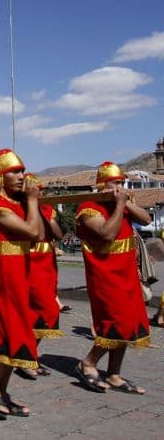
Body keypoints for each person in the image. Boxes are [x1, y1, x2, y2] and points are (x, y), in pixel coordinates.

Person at [73, 162, 151, 395]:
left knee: (130, 322)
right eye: (115, 183)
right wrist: (119, 205)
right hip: (106, 276)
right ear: (102, 185)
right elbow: (107, 233)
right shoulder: (88, 209)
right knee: (116, 323)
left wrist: (126, 203)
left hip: (127, 274)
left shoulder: (122, 205)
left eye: (122, 183)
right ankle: (88, 363)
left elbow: (146, 219)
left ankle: (114, 374)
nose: (121, 187)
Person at [0, 149, 42, 419]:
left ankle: (1, 389)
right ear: (0, 176)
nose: (21, 176)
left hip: (19, 278)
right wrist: (33, 201)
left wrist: (30, 203)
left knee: (19, 329)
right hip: (0, 280)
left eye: (22, 171)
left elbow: (40, 236)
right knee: (10, 330)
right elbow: (33, 232)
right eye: (14, 172)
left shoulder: (17, 204)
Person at [17, 173, 64, 380]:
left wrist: (45, 213)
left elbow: (58, 234)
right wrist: (32, 206)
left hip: (48, 263)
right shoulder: (20, 209)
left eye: (41, 191)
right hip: (31, 262)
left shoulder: (46, 210)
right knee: (42, 309)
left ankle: (31, 356)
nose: (41, 194)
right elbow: (36, 234)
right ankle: (25, 357)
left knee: (45, 312)